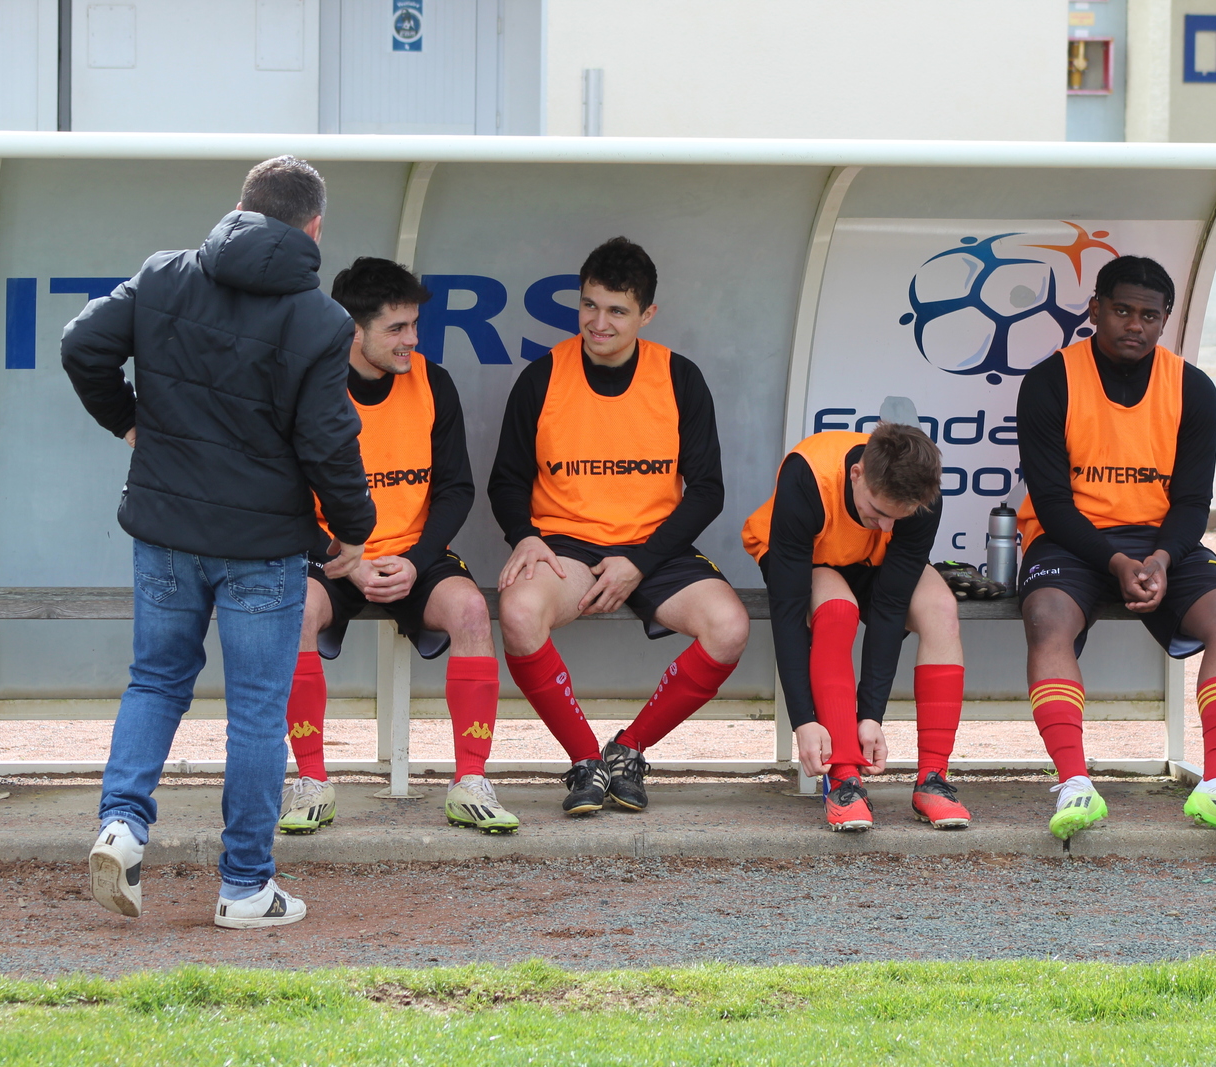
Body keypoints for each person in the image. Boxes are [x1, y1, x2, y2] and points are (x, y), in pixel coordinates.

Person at [62, 156, 374, 928]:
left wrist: (130, 422)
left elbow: (81, 346)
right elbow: (329, 441)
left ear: (239, 208)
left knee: (156, 682)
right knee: (258, 714)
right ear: (314, 228)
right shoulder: (321, 321)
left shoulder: (165, 275)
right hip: (263, 547)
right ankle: (243, 888)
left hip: (165, 533)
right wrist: (353, 530)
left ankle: (123, 824)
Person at [487, 237, 748, 816]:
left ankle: (628, 750)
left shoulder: (679, 377)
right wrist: (523, 536)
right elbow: (505, 480)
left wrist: (643, 562)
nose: (598, 323)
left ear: (647, 314)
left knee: (729, 627)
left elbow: (708, 492)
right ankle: (586, 762)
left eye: (617, 310)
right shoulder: (542, 376)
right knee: (520, 612)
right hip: (566, 546)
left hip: (655, 547)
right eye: (589, 305)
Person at [1015, 254, 1216, 843]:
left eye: (1149, 315)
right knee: (1047, 613)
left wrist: (1159, 559)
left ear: (1166, 320)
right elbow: (1052, 504)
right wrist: (1116, 561)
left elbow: (1192, 505)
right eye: (1122, 311)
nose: (1134, 325)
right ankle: (1074, 781)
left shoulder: (1192, 386)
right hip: (1072, 539)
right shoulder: (1050, 380)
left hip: (1158, 544)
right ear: (1095, 310)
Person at [277, 257, 517, 835]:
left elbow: (456, 488)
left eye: (414, 325)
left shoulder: (433, 381)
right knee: (295, 612)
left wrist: (414, 559)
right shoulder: (310, 385)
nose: (413, 340)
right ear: (352, 330)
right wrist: (349, 559)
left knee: (470, 611)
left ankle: (471, 780)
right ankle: (310, 779)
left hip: (414, 553)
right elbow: (282, 495)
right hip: (332, 554)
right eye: (397, 328)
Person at [742, 418, 968, 831]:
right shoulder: (806, 474)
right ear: (856, 473)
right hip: (808, 556)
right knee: (838, 609)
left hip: (867, 560)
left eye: (897, 520)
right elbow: (789, 613)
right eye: (879, 512)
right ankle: (844, 776)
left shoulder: (918, 494)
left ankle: (933, 780)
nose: (887, 528)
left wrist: (872, 716)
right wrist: (803, 720)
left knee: (940, 607)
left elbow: (891, 606)